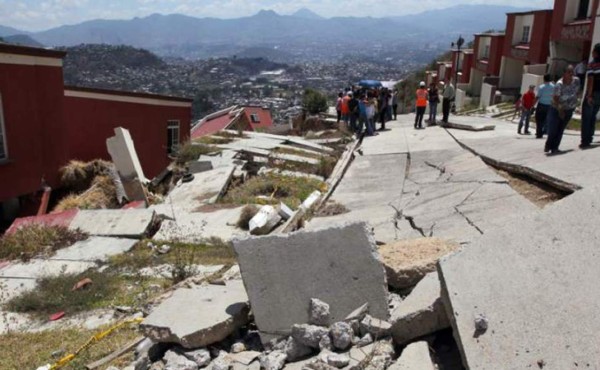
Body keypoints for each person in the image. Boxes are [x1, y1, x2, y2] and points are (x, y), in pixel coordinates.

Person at [545, 65, 580, 154]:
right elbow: (556, 99)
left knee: (560, 129)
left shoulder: (576, 81)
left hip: (569, 108)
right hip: (556, 108)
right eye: (569, 72)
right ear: (564, 74)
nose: (571, 74)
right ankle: (549, 144)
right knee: (553, 129)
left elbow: (577, 92)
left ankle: (555, 147)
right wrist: (561, 111)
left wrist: (575, 102)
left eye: (572, 72)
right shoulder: (559, 84)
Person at [580, 43, 600, 148]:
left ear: (595, 52)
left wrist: (589, 95)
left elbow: (591, 80)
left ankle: (585, 141)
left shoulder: (592, 64)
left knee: (586, 118)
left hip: (593, 94)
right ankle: (590, 137)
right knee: (593, 117)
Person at [535, 74, 555, 138]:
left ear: (544, 79)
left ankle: (539, 133)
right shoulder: (553, 87)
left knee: (539, 119)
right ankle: (544, 130)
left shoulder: (541, 87)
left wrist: (532, 105)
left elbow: (538, 97)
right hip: (549, 105)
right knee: (546, 119)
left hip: (541, 105)